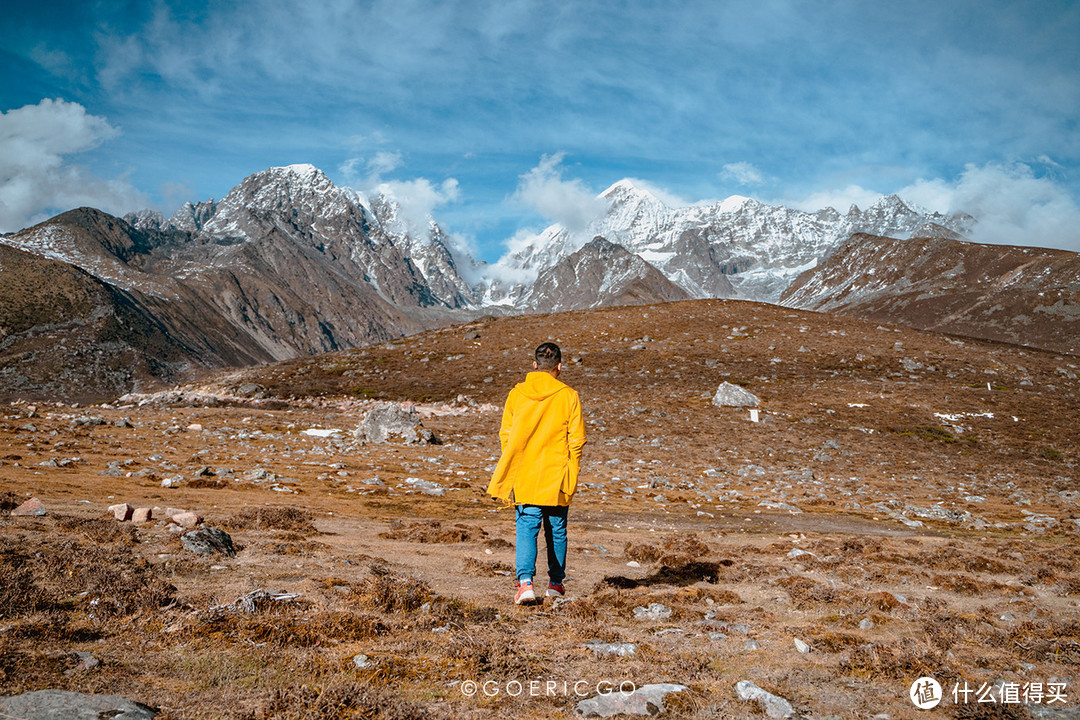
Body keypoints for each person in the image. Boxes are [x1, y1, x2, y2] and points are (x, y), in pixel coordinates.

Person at [487, 342, 587, 604]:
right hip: (557, 474)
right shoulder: (569, 396)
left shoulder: (517, 394)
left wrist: (513, 463)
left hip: (526, 473)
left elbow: (506, 434)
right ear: (559, 367)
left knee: (527, 526)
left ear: (534, 365)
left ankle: (525, 584)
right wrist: (572, 469)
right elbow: (577, 440)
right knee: (557, 528)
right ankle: (555, 584)